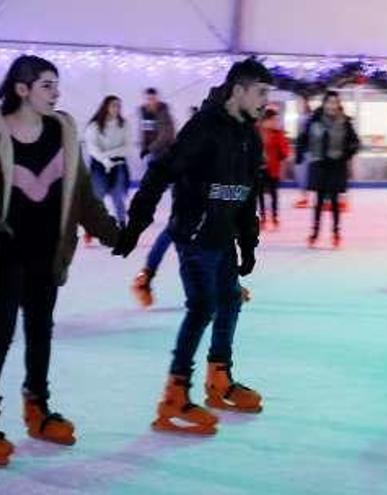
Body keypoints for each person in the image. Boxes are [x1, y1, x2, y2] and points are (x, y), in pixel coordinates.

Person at [113, 58, 272, 435]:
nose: (266, 101)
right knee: (202, 307)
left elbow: (248, 195)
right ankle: (174, 397)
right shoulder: (204, 128)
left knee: (230, 299)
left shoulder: (250, 136)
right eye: (261, 92)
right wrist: (137, 222)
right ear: (238, 90)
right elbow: (161, 172)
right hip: (196, 236)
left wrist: (248, 242)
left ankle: (219, 379)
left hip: (223, 236)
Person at [0, 55, 120, 462]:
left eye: (57, 84)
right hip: (4, 255)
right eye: (47, 85)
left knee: (40, 331)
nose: (57, 93)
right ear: (22, 89)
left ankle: (38, 408)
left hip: (47, 252)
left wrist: (113, 234)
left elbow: (83, 196)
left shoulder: (63, 132)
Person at [130, 88, 176, 307]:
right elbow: (146, 133)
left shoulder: (163, 112)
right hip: (170, 166)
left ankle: (146, 276)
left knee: (177, 230)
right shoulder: (145, 113)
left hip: (165, 159)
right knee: (180, 229)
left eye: (153, 98)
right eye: (148, 98)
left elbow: (167, 135)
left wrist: (151, 148)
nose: (151, 101)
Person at [296, 91, 360, 248]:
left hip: (337, 164)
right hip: (319, 164)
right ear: (324, 104)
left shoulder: (345, 122)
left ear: (338, 105)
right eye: (329, 102)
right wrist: (300, 154)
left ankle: (336, 233)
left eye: (335, 102)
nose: (332, 105)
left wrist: (347, 154)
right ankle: (315, 233)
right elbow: (303, 138)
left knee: (334, 200)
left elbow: (355, 142)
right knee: (318, 201)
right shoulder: (314, 120)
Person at [84, 95, 131, 224]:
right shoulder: (94, 126)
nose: (117, 108)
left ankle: (122, 224)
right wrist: (104, 160)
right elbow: (92, 149)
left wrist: (108, 154)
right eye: (114, 105)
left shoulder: (124, 124)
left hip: (118, 164)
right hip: (99, 166)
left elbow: (127, 147)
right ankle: (92, 225)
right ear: (106, 107)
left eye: (119, 106)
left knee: (118, 197)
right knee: (98, 197)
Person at [258, 108, 291, 229]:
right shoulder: (257, 132)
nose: (275, 122)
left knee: (273, 194)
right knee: (260, 194)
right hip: (260, 168)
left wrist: (283, 152)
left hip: (273, 168)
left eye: (276, 120)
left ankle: (274, 217)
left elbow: (284, 151)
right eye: (272, 120)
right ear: (266, 120)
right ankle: (263, 218)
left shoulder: (277, 133)